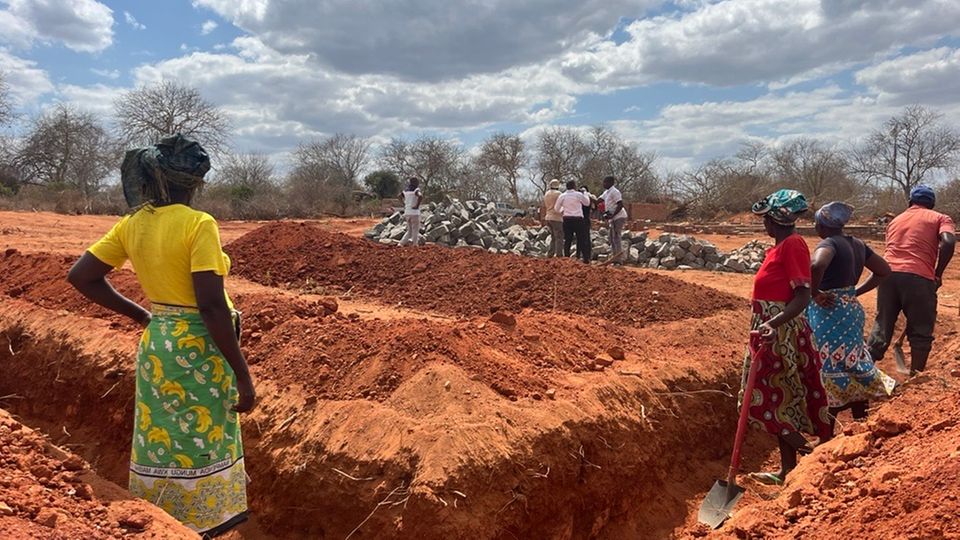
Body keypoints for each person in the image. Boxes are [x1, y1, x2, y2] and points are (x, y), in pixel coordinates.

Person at [67, 134, 255, 537]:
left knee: (163, 436)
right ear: (195, 183)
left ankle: (159, 522)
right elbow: (210, 305)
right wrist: (243, 373)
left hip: (158, 345)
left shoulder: (133, 223)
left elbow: (81, 276)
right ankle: (202, 524)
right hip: (198, 347)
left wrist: (143, 315)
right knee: (201, 434)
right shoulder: (199, 224)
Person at [743, 189, 832, 485]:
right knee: (779, 398)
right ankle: (788, 469)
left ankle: (811, 455)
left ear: (775, 220)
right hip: (770, 330)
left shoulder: (792, 245)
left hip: (780, 334)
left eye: (766, 218)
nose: (763, 224)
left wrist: (774, 323)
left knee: (769, 398)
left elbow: (803, 295)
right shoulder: (779, 247)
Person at [807, 202, 895, 432]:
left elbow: (816, 265)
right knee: (852, 361)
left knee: (829, 364)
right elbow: (884, 270)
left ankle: (826, 431)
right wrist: (855, 292)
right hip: (850, 309)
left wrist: (814, 293)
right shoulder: (857, 244)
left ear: (822, 225)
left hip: (829, 311)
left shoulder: (828, 244)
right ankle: (861, 423)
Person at [867, 185, 956, 375]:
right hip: (918, 278)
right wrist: (937, 273)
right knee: (921, 328)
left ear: (910, 202)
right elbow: (948, 242)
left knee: (882, 324)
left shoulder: (896, 220)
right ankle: (915, 379)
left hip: (887, 276)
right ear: (932, 204)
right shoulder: (940, 218)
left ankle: (864, 374)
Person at [554, 180, 591, 263]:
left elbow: (556, 208)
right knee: (581, 239)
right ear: (574, 186)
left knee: (568, 239)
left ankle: (566, 258)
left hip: (567, 219)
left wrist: (563, 210)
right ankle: (585, 259)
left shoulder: (562, 196)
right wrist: (585, 193)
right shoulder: (578, 195)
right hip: (578, 219)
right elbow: (587, 203)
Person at [600, 175, 628, 264]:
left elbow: (620, 204)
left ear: (611, 183)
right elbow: (598, 200)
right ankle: (615, 257)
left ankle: (619, 259)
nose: (604, 184)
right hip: (613, 218)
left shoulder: (615, 192)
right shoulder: (607, 192)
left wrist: (613, 215)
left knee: (616, 236)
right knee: (611, 238)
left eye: (605, 182)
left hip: (619, 216)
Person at [398, 177, 423, 247]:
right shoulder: (416, 190)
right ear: (415, 183)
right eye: (417, 182)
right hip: (415, 213)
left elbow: (399, 196)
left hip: (407, 212)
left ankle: (401, 243)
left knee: (409, 231)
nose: (418, 183)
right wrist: (417, 206)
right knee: (415, 230)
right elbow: (420, 196)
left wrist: (404, 204)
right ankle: (415, 245)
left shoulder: (406, 190)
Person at [542, 179, 564, 257]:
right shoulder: (559, 194)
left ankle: (550, 254)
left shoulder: (546, 194)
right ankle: (559, 255)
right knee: (559, 237)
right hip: (557, 217)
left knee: (553, 237)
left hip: (548, 217)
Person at [579, 185, 596, 262]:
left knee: (581, 238)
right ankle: (586, 256)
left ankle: (582, 256)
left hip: (582, 219)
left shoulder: (582, 197)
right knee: (585, 238)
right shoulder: (589, 197)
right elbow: (594, 207)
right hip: (585, 219)